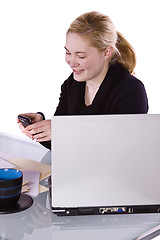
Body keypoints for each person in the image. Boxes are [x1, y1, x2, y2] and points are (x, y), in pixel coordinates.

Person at [17, 11, 148, 150]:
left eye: (81, 56)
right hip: (73, 164)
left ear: (107, 53)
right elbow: (60, 144)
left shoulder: (131, 90)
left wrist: (62, 130)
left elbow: (121, 147)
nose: (71, 62)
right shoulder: (72, 85)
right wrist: (41, 127)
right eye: (68, 52)